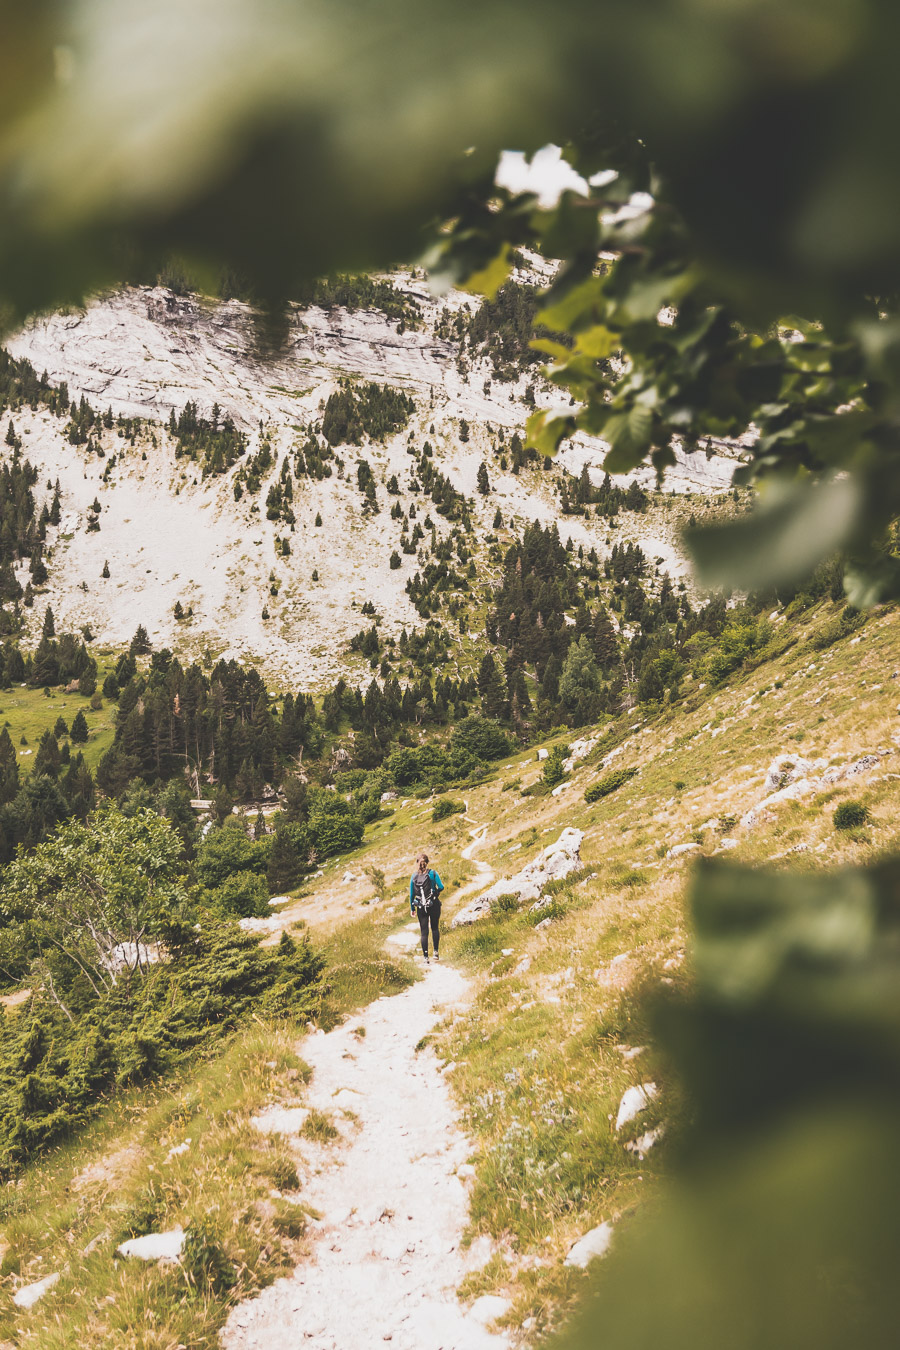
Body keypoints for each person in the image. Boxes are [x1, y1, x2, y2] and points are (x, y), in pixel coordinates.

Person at [409, 852, 444, 963]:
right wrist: (435, 894)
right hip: (433, 904)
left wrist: (412, 908)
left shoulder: (414, 876)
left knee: (424, 932)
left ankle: (425, 958)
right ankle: (436, 953)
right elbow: (442, 887)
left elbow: (411, 895)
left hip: (420, 906)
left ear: (417, 863)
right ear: (427, 863)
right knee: (434, 928)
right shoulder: (433, 873)